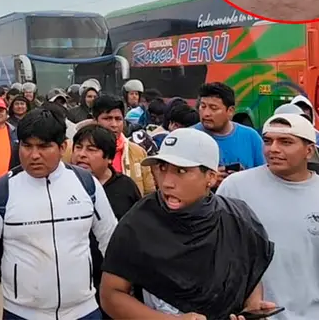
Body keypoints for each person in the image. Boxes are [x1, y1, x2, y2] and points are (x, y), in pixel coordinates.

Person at [99, 128, 278, 319]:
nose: (167, 182)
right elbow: (111, 295)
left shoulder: (237, 219)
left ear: (210, 176)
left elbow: (249, 273)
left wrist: (252, 306)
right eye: (162, 168)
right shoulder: (139, 222)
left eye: (181, 171)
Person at [218, 114, 319, 320]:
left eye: (286, 142)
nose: (274, 149)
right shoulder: (236, 188)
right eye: (268, 141)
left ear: (309, 150)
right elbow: (215, 256)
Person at [0, 109, 117, 320]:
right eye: (27, 146)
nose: (34, 155)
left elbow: (111, 241)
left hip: (84, 311)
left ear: (63, 147)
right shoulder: (2, 191)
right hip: (22, 314)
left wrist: (119, 295)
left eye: (44, 146)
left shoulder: (86, 184)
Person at [71, 124, 141, 317]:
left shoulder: (125, 188)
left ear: (109, 158)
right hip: (72, 286)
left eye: (91, 150)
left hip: (112, 283)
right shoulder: (61, 186)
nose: (82, 155)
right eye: (78, 147)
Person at [70, 94, 155, 196]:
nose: (114, 124)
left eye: (118, 119)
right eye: (107, 118)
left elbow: (148, 193)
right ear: (95, 120)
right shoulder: (74, 150)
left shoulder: (138, 152)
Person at [193, 82, 265, 177]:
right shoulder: (189, 136)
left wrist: (242, 179)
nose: (206, 113)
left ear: (230, 111)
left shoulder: (251, 137)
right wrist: (209, 179)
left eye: (213, 108)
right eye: (203, 106)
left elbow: (264, 175)